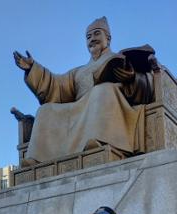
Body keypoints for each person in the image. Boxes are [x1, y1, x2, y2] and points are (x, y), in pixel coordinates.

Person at [13, 17, 156, 164]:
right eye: (88, 37)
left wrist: (132, 77)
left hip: (113, 107)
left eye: (96, 34)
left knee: (101, 90)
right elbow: (57, 87)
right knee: (45, 110)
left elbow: (149, 82)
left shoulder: (121, 60)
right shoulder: (79, 72)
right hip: (79, 109)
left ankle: (100, 141)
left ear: (108, 38)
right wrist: (32, 68)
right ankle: (37, 159)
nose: (92, 39)